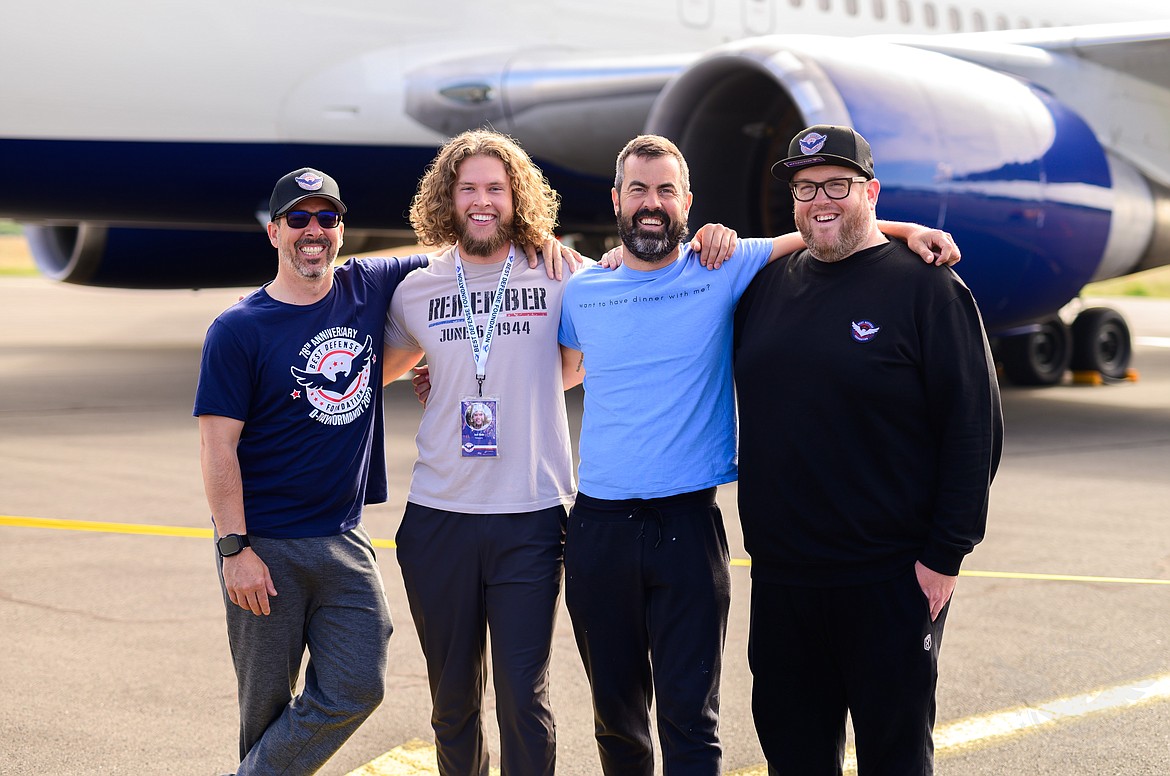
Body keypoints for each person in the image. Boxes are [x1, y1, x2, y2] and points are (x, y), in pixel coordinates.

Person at [556, 134, 961, 775]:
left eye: (666, 190)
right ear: (616, 199)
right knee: (619, 720)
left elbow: (824, 229)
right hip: (604, 528)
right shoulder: (582, 290)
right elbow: (557, 371)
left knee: (693, 721)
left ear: (688, 201)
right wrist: (448, 378)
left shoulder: (724, 268)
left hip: (691, 528)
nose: (652, 203)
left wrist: (905, 229)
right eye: (638, 189)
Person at [387, 129, 744, 775]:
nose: (482, 200)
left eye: (496, 187)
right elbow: (379, 365)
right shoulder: (417, 288)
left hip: (534, 510)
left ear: (516, 195)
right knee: (453, 705)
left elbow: (591, 341)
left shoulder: (566, 273)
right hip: (438, 514)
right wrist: (444, 373)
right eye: (468, 188)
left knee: (527, 698)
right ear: (447, 197)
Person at [732, 125, 1003, 774]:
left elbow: (974, 430)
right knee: (793, 758)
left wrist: (944, 557)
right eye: (804, 189)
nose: (819, 200)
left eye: (836, 185)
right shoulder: (764, 288)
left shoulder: (927, 288)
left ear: (871, 191)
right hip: (782, 581)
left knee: (895, 757)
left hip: (888, 578)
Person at [195, 168, 429, 775]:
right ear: (274, 232)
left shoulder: (366, 286)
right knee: (265, 707)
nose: (313, 231)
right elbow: (218, 449)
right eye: (298, 219)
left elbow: (451, 256)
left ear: (342, 230)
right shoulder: (237, 330)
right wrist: (234, 549)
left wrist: (549, 247)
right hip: (264, 546)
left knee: (358, 685)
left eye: (327, 218)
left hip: (343, 539)